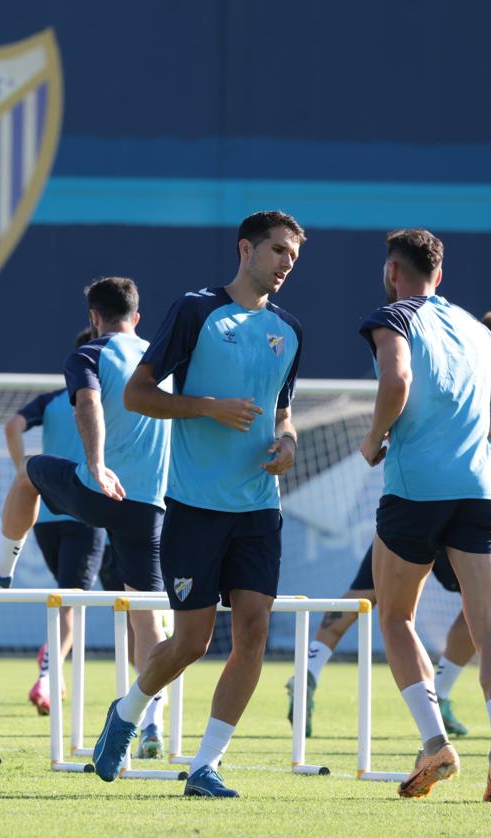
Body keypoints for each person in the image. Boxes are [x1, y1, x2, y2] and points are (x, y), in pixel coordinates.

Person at [89, 211, 306, 798]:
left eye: (293, 254)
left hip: (260, 506)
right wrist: (208, 406)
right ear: (245, 249)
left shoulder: (289, 329)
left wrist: (288, 441)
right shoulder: (196, 310)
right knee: (191, 643)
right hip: (194, 506)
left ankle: (206, 765)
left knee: (255, 631)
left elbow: (283, 411)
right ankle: (128, 710)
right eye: (278, 251)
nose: (287, 262)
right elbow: (137, 395)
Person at [0, 276, 171, 758]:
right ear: (136, 318)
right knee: (146, 620)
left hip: (98, 492)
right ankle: (152, 721)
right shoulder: (163, 359)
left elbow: (88, 405)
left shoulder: (89, 355)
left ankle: (2, 566)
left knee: (29, 473)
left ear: (94, 319)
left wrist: (95, 463)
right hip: (151, 506)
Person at [357, 228, 491, 800]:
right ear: (441, 272)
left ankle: (435, 741)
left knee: (395, 616)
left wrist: (374, 437)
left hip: (416, 491)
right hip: (480, 487)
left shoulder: (395, 316)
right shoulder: (477, 329)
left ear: (393, 272)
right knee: (487, 631)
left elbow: (397, 379)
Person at [0, 327, 107, 716]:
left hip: (44, 514)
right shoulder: (103, 400)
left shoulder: (52, 401)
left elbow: (12, 425)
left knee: (67, 598)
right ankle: (48, 673)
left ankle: (54, 667)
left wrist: (22, 474)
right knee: (72, 604)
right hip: (87, 511)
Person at [288, 542, 474, 738]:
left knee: (360, 597)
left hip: (403, 520)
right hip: (458, 523)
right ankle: (440, 695)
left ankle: (308, 672)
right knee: (479, 606)